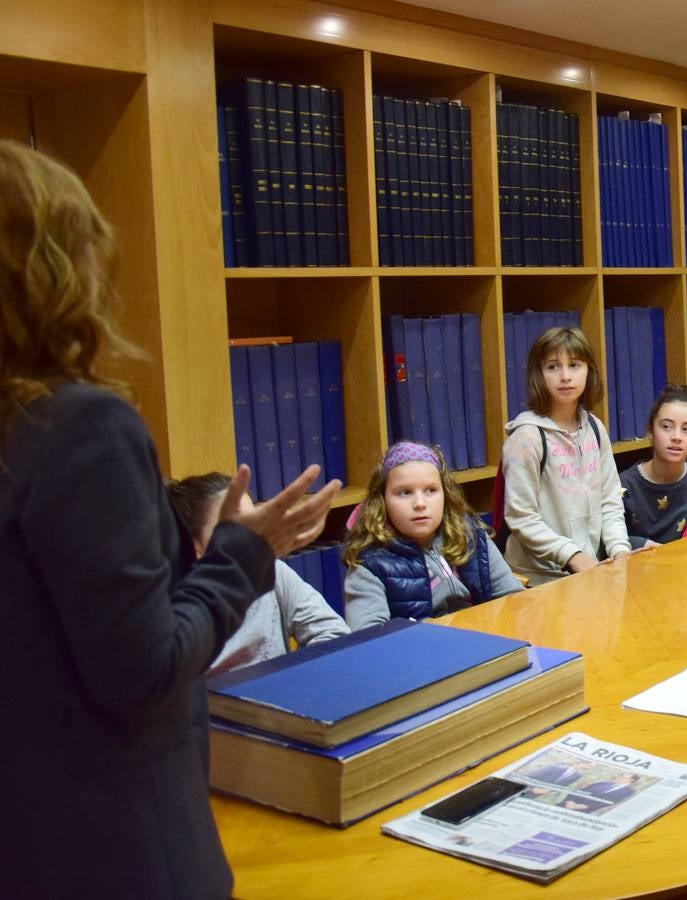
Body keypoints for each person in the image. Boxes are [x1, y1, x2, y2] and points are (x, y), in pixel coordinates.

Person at [0, 139, 339, 897]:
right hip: (116, 846)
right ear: (60, 268)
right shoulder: (79, 428)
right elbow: (141, 671)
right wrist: (242, 552)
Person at [170, 473, 349, 674]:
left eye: (253, 527)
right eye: (233, 529)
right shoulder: (179, 605)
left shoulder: (272, 569)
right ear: (193, 544)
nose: (247, 539)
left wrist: (294, 680)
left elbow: (334, 634)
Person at [343, 441, 523, 630]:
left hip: (486, 637)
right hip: (421, 646)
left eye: (430, 490)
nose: (420, 503)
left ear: (445, 494)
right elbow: (369, 637)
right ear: (382, 500)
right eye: (404, 492)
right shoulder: (369, 563)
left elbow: (513, 601)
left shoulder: (470, 535)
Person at [502, 326, 631, 585]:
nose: (565, 376)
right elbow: (521, 517)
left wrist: (619, 549)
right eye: (553, 367)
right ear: (538, 374)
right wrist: (573, 556)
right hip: (537, 579)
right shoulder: (527, 437)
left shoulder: (595, 428)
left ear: (588, 371)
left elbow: (610, 499)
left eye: (574, 365)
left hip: (590, 567)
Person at [620, 384, 687, 546]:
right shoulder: (622, 487)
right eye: (666, 427)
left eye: (686, 429)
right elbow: (605, 542)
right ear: (650, 431)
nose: (677, 437)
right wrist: (642, 545)